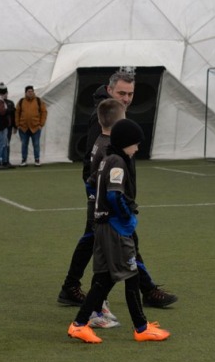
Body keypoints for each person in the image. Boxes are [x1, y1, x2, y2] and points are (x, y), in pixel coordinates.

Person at [58, 70, 177, 309]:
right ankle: (147, 291)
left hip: (111, 194)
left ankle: (70, 287)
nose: (126, 98)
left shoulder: (117, 113)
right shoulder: (103, 116)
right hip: (106, 197)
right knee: (126, 240)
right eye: (122, 93)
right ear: (110, 89)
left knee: (93, 240)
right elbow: (91, 160)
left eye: (130, 94)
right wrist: (98, 195)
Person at [67, 119, 170, 344]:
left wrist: (98, 206)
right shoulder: (118, 162)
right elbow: (114, 195)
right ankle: (141, 328)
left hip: (103, 227)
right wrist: (127, 217)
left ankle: (79, 325)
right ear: (125, 143)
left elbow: (90, 183)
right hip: (116, 229)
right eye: (136, 143)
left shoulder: (106, 159)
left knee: (104, 279)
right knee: (132, 276)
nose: (138, 148)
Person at [16, 85, 47, 167]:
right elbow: (17, 113)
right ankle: (24, 160)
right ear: (25, 93)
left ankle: (37, 160)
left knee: (36, 144)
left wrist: (41, 124)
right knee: (24, 144)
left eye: (31, 91)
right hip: (23, 127)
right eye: (28, 91)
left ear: (33, 92)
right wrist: (17, 124)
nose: (30, 93)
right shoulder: (21, 101)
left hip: (36, 127)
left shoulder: (38, 101)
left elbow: (44, 112)